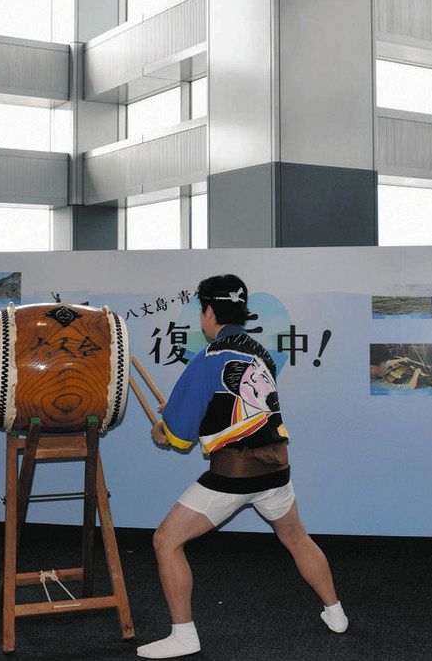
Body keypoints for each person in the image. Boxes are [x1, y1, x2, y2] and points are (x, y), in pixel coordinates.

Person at [139, 274, 346, 659]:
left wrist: (162, 428)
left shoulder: (208, 358)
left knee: (166, 540)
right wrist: (184, 410)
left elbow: (178, 438)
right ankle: (335, 612)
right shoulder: (259, 353)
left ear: (208, 312)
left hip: (235, 475)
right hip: (276, 468)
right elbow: (239, 407)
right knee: (296, 538)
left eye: (202, 310)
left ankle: (183, 635)